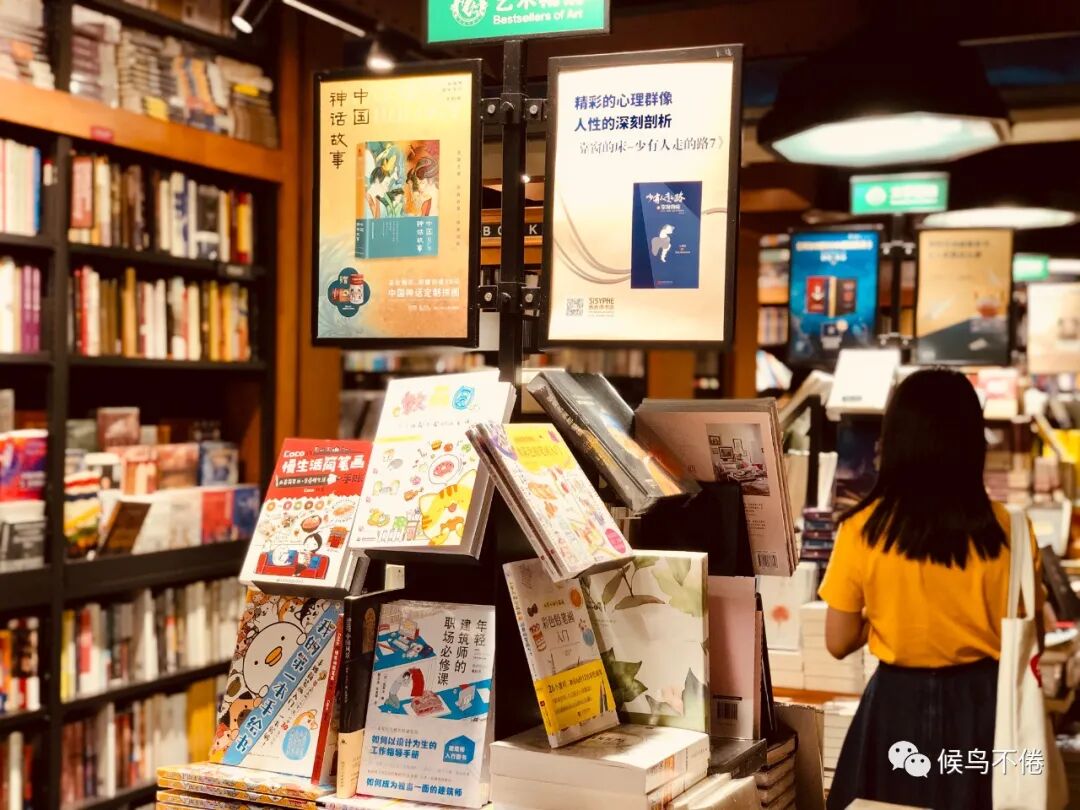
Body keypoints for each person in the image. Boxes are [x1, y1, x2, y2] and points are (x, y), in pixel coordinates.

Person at [819, 368, 1044, 809]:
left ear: (894, 441)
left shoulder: (862, 528)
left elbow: (838, 641)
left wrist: (882, 615)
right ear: (973, 443)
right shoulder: (1013, 530)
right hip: (985, 710)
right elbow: (1031, 631)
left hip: (895, 709)